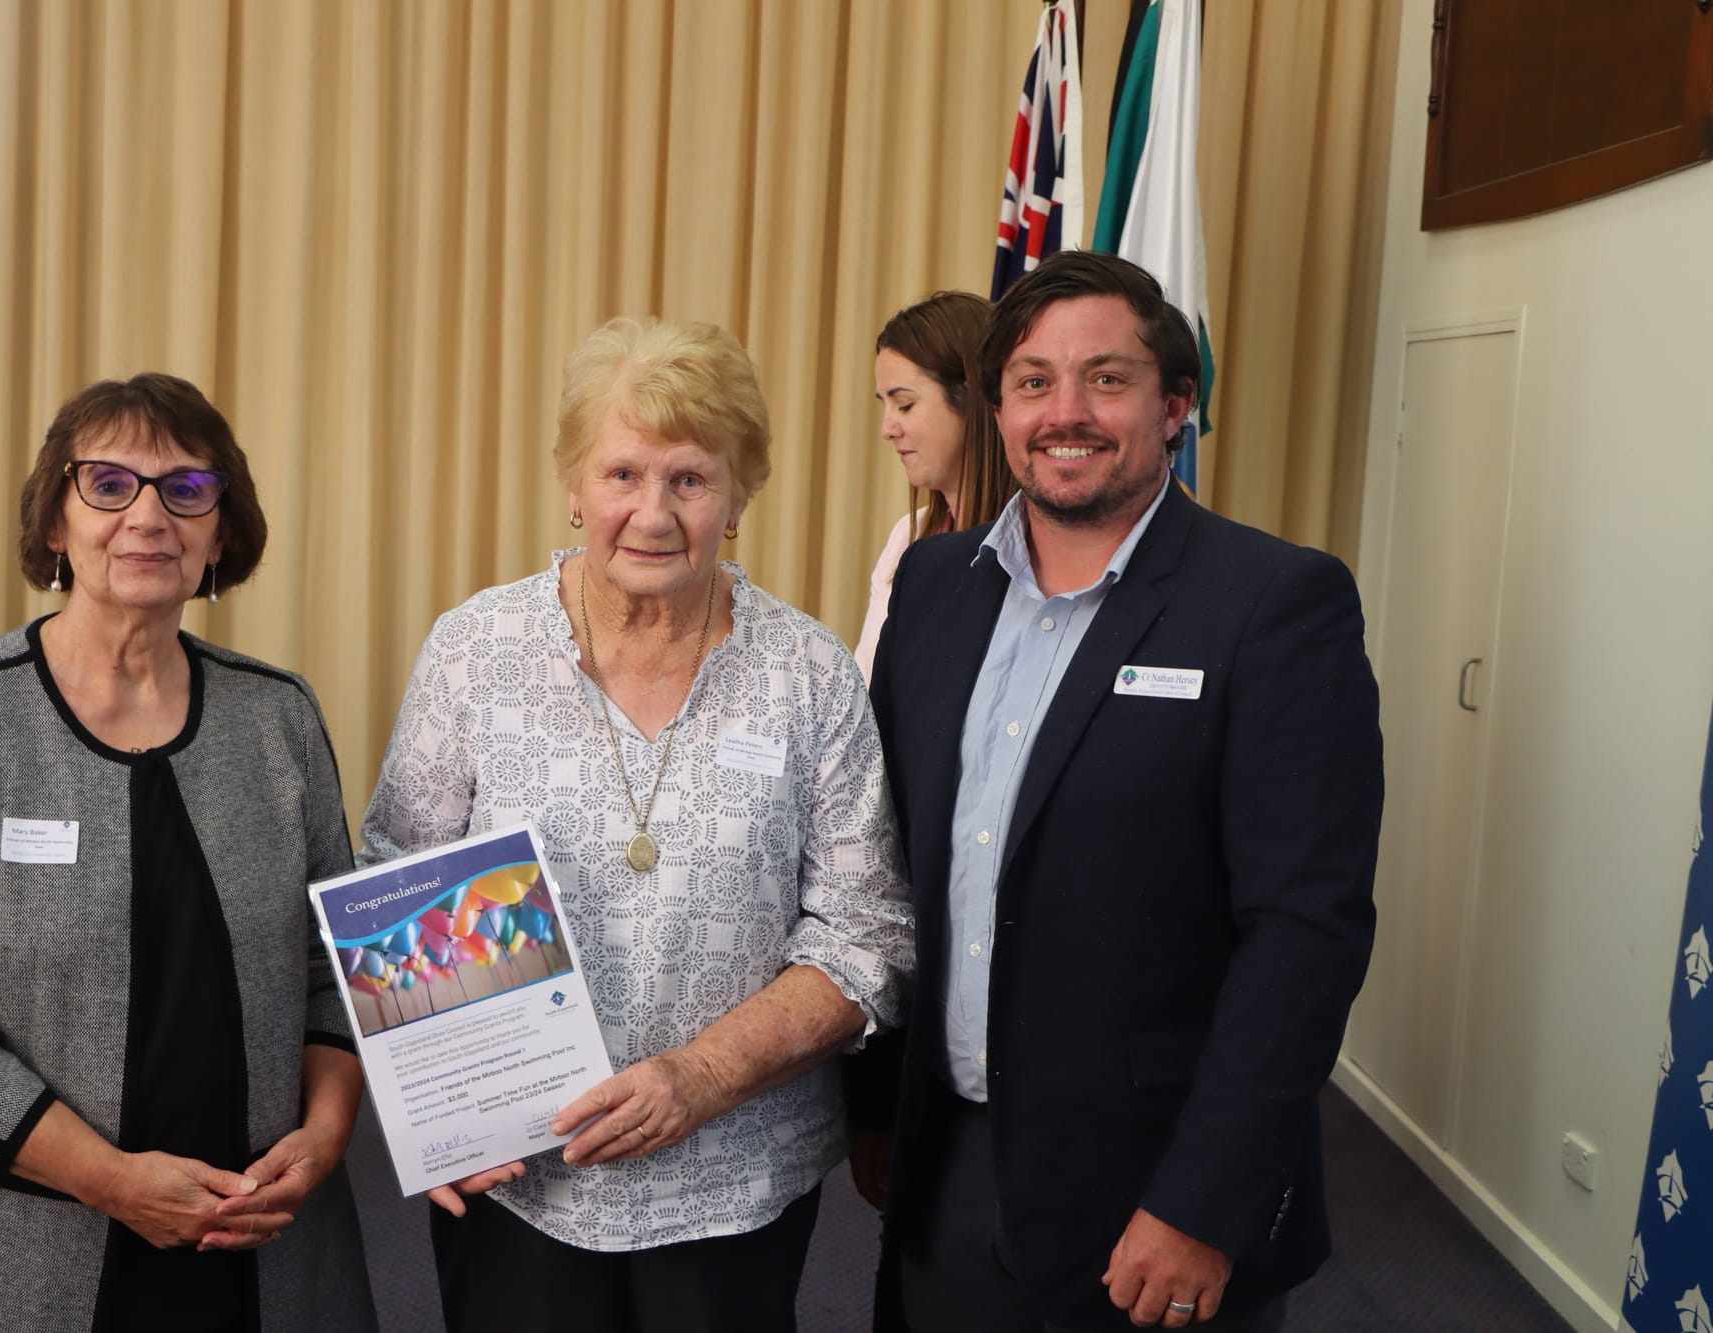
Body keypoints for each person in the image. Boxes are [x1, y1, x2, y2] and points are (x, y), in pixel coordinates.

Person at [857, 252, 1384, 1332]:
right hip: (947, 1161)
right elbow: (895, 861)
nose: (1065, 412)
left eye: (1106, 379)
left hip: (1151, 1191)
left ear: (1175, 403)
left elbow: (1304, 934)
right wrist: (873, 1108)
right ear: (996, 407)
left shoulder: (1275, 604)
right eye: (1032, 381)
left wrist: (1202, 1200)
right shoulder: (932, 587)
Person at [361, 316, 914, 1333]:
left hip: (734, 1183)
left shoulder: (808, 675)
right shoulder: (473, 651)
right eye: (621, 474)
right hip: (517, 1175)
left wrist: (697, 1079)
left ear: (740, 493)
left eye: (689, 479)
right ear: (573, 486)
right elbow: (400, 876)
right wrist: (441, 1111)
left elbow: (865, 935)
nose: (650, 513)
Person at [0, 374, 378, 1332]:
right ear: (55, 520)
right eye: (110, 484)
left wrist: (325, 1135)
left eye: (187, 490)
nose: (150, 516)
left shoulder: (278, 716)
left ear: (219, 532)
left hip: (258, 1240)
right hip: (9, 1253)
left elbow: (337, 966)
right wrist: (115, 1181)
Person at [852, 291, 1017, 681]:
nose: (888, 430)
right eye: (885, 405)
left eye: (905, 404)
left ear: (972, 399)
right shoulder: (907, 536)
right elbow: (866, 685)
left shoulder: (1039, 546)